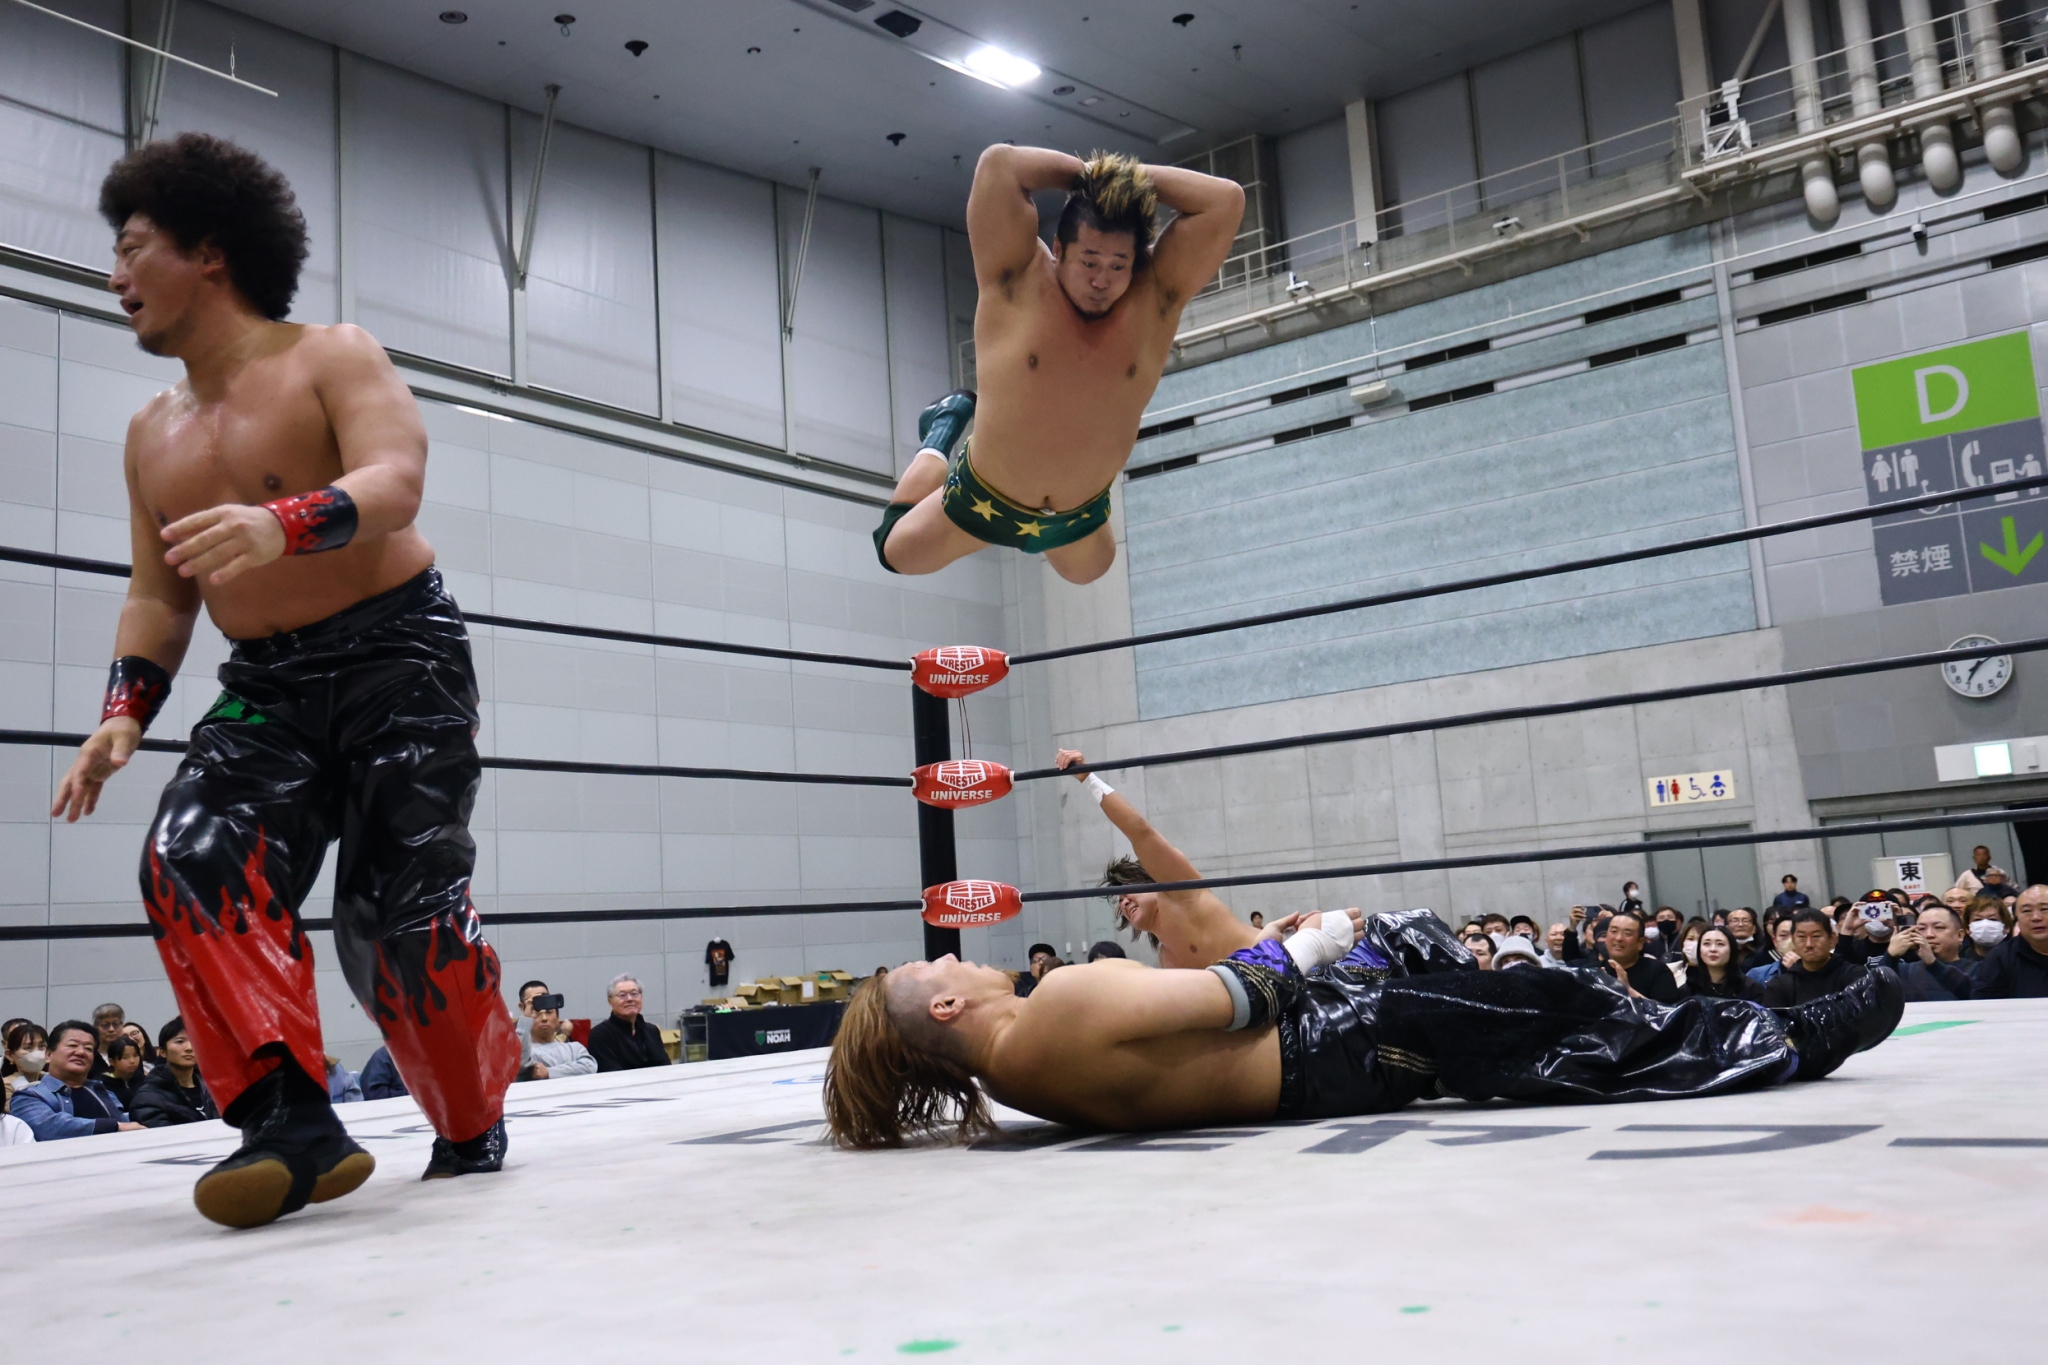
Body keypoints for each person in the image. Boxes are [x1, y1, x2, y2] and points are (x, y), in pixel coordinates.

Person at [48, 134, 519, 1226]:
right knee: (188, 854)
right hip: (266, 681)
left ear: (209, 253)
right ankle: (290, 1119)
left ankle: (466, 1120)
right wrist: (122, 715)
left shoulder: (331, 356)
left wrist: (283, 523)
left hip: (401, 656)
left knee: (396, 923)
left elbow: (396, 481)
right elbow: (160, 594)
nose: (114, 277)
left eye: (132, 248)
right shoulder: (150, 433)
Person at [822, 934, 1904, 1149]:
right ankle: (1790, 1037)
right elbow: (1245, 997)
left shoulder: (1022, 1082)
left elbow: (1197, 1022)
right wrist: (1312, 943)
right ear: (948, 1009)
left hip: (1320, 1067)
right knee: (1547, 1006)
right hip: (1334, 1042)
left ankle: (1765, 1035)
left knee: (1535, 1025)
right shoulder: (1053, 1009)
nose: (954, 954)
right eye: (934, 965)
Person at [872, 146, 1244, 584]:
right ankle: (943, 429)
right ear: (1059, 248)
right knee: (896, 551)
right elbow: (999, 165)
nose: (1101, 280)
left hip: (1076, 516)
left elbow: (1226, 200)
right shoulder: (1016, 275)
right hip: (983, 493)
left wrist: (1127, 180)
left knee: (1090, 572)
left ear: (1136, 261)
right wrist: (1094, 177)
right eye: (1089, 262)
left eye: (1118, 265)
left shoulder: (1156, 296)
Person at [10, 1021, 146, 1141]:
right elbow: (50, 1127)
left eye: (88, 1048)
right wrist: (114, 1127)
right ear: (49, 1054)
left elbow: (124, 1120)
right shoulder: (27, 1097)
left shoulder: (103, 1092)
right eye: (72, 1045)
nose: (81, 1052)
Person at [1762, 910, 1871, 1006]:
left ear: (1832, 939)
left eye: (1816, 936)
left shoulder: (1855, 975)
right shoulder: (1780, 985)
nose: (1809, 944)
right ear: (1794, 940)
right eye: (1801, 937)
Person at [129, 1016, 219, 1126]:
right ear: (162, 1052)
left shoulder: (213, 1089)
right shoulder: (147, 1098)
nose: (189, 1048)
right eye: (180, 1041)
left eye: (194, 1040)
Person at [1883, 905, 1976, 1002]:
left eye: (1938, 927)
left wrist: (1932, 962)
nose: (1929, 935)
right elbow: (1878, 992)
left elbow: (1972, 993)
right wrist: (1890, 955)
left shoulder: (1977, 969)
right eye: (1922, 928)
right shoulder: (1906, 970)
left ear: (1960, 935)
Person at [1970, 885, 2048, 998]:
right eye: (2026, 911)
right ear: (2016, 918)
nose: (2036, 917)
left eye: (2044, 909)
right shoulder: (2001, 957)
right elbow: (1984, 1003)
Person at [587, 976, 669, 1072]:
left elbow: (666, 1067)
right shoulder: (600, 1035)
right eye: (622, 995)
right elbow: (611, 1073)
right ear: (610, 1001)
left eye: (634, 994)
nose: (630, 999)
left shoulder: (651, 1030)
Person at [1601, 909, 1682, 1004]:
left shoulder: (1658, 971)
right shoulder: (1595, 970)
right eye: (1614, 931)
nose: (1618, 938)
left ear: (1640, 943)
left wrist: (1627, 990)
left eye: (1627, 934)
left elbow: (1665, 1011)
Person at [520, 997, 598, 1081]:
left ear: (558, 1019)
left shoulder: (574, 1048)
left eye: (549, 1012)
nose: (544, 1018)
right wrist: (525, 1019)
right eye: (537, 1013)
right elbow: (520, 1063)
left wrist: (549, 1072)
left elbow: (590, 1066)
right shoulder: (528, 1052)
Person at [1686, 926, 1757, 1001]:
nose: (1713, 949)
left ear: (1732, 949)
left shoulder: (1751, 989)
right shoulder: (1689, 988)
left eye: (1720, 944)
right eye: (1706, 944)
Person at [4, 1023, 49, 1110]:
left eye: (42, 1046)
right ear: (10, 1055)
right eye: (28, 1047)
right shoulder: (5, 1086)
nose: (37, 1053)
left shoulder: (53, 1079)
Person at [101, 1036, 148, 1112]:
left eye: (135, 1055)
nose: (132, 1061)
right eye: (125, 1057)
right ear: (111, 1061)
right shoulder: (103, 1084)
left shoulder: (144, 1080)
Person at [1963, 896, 2012, 961]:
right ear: (1967, 928)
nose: (1985, 924)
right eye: (1978, 920)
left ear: (2006, 927)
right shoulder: (1959, 957)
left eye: (1992, 919)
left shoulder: (2017, 960)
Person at [91, 1003, 126, 1076]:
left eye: (116, 1024)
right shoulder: (90, 1055)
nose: (111, 1029)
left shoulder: (131, 1053)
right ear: (95, 1028)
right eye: (105, 1025)